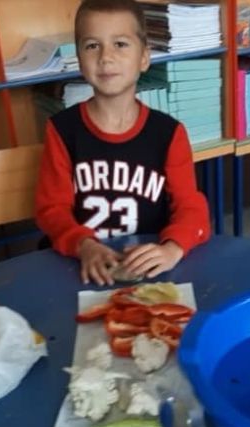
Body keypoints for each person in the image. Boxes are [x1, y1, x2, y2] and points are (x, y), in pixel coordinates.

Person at [35, 0, 211, 285]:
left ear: (144, 58)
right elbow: (51, 210)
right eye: (92, 45)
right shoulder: (62, 130)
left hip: (150, 268)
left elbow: (191, 208)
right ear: (79, 59)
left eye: (120, 44)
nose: (106, 57)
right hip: (80, 266)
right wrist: (83, 245)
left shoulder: (168, 133)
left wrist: (172, 248)